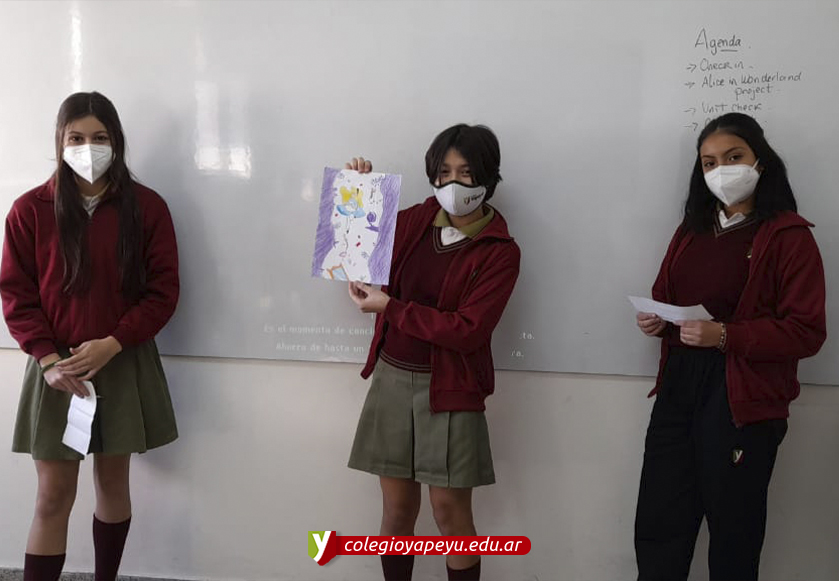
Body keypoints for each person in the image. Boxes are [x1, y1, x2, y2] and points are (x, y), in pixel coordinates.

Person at [634, 112, 826, 580]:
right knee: (660, 523)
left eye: (734, 157)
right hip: (679, 388)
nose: (722, 170)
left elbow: (806, 331)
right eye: (709, 162)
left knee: (734, 533)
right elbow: (665, 293)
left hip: (742, 397)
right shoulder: (691, 230)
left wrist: (725, 335)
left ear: (760, 161)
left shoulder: (788, 236)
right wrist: (656, 321)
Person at [0, 91, 179, 581]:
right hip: (57, 371)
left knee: (113, 484)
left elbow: (163, 292)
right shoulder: (29, 209)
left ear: (116, 141)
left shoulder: (147, 207)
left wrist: (114, 342)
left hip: (121, 361)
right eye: (75, 138)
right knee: (52, 495)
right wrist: (47, 360)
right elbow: (16, 295)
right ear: (59, 141)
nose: (87, 147)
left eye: (99, 137)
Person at [345, 124, 520, 581]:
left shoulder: (501, 251)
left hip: (451, 389)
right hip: (392, 378)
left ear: (488, 177)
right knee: (397, 511)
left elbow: (468, 330)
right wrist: (358, 193)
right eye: (444, 172)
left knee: (450, 515)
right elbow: (355, 257)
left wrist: (392, 307)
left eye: (466, 172)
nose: (453, 183)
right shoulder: (415, 220)